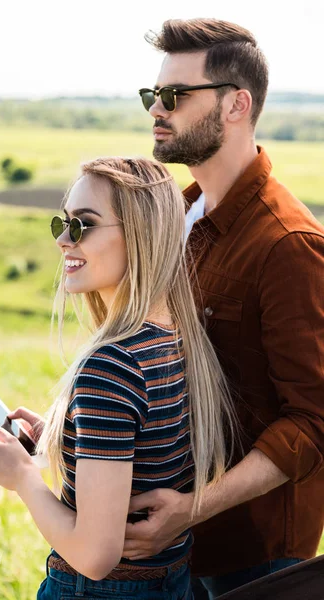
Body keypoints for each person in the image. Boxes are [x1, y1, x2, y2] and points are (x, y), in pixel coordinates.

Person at [0, 157, 237, 599]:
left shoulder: (112, 364)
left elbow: (95, 556)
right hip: (171, 583)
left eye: (82, 225)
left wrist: (23, 477)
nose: (62, 240)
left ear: (138, 236)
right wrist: (69, 436)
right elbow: (143, 456)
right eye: (63, 223)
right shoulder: (178, 339)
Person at [125, 17, 324, 599]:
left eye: (175, 96)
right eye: (152, 95)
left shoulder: (289, 245)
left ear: (237, 105)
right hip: (177, 539)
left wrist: (192, 508)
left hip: (252, 556)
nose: (156, 109)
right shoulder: (178, 217)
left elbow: (314, 423)